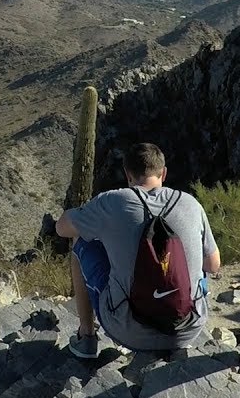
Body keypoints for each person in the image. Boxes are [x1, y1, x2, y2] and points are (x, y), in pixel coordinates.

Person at [54, 142, 221, 358]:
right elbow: (213, 265)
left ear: (128, 174)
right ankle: (178, 315)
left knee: (81, 240)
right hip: (187, 330)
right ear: (164, 173)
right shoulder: (190, 203)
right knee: (198, 261)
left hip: (129, 331)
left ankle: (86, 337)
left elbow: (61, 228)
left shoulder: (112, 201)